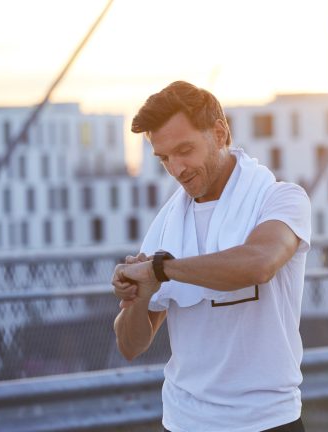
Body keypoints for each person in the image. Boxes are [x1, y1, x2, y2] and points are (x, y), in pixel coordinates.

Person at [111, 81, 311, 432]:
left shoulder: (281, 200)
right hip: (185, 421)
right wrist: (139, 298)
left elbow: (258, 264)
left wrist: (160, 269)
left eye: (184, 150)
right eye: (164, 158)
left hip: (267, 420)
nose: (176, 169)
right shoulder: (165, 225)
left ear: (219, 134)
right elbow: (131, 346)